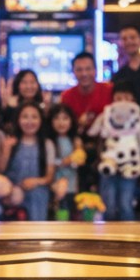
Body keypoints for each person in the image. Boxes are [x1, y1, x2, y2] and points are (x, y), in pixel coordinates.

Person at [90, 82, 140, 222]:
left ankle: (128, 237)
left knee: (126, 203)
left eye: (126, 98)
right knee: (108, 203)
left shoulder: (137, 120)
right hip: (109, 164)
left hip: (130, 165)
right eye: (118, 98)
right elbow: (93, 132)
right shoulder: (106, 117)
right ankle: (108, 237)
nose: (122, 102)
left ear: (134, 101)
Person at [59, 51, 112, 193]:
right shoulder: (67, 96)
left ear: (95, 70)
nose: (84, 74)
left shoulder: (109, 90)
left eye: (88, 69)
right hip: (77, 143)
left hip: (107, 142)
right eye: (79, 70)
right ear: (74, 72)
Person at [0, 103, 55, 221]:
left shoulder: (47, 144)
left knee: (38, 193)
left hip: (37, 190)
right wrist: (5, 150)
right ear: (18, 120)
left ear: (41, 120)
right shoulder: (11, 142)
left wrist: (36, 181)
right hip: (12, 190)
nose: (29, 121)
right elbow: (0, 170)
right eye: (25, 117)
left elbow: (49, 176)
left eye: (34, 117)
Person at [47, 103, 82, 219]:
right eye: (56, 118)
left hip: (72, 183)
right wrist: (64, 161)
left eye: (65, 118)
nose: (61, 123)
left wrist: (76, 159)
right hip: (54, 183)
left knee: (72, 213)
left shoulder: (75, 140)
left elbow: (79, 160)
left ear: (71, 121)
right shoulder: (49, 141)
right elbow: (49, 162)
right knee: (59, 212)